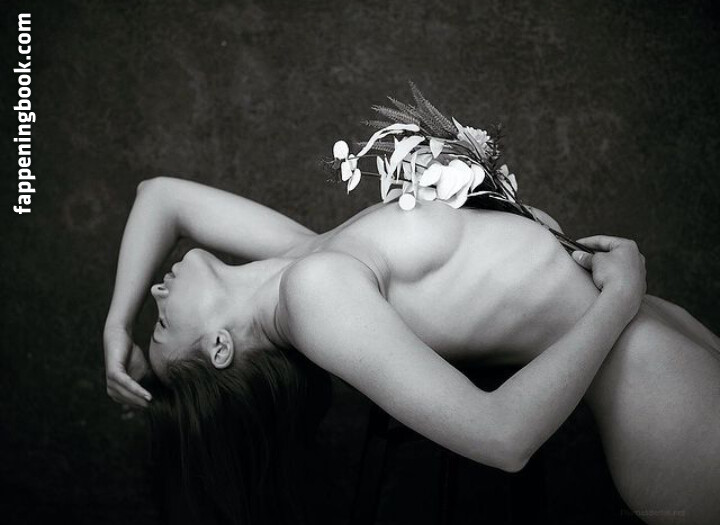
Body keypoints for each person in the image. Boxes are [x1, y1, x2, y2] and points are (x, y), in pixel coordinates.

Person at [104, 176, 720, 525]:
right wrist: (620, 297)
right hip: (650, 388)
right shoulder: (313, 296)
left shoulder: (302, 258)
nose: (156, 293)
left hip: (657, 340)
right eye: (161, 325)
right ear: (219, 347)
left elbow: (162, 196)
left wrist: (116, 327)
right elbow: (503, 437)